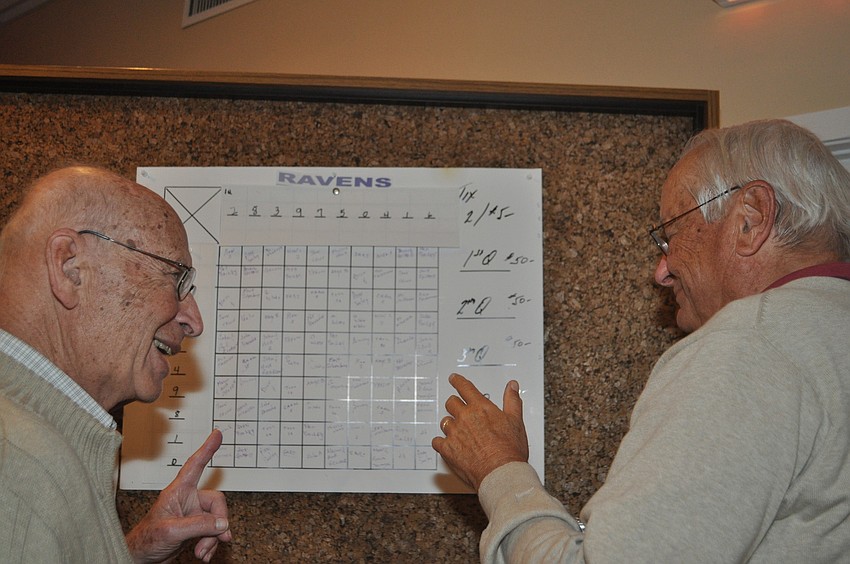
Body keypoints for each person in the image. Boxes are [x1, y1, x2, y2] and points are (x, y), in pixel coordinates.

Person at [432, 119, 850, 562]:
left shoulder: (748, 346)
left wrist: (500, 471)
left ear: (751, 219)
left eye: (671, 236)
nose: (661, 270)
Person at [0, 166, 232, 562]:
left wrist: (126, 553)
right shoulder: (17, 466)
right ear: (70, 267)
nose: (193, 320)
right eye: (176, 279)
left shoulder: (35, 452)